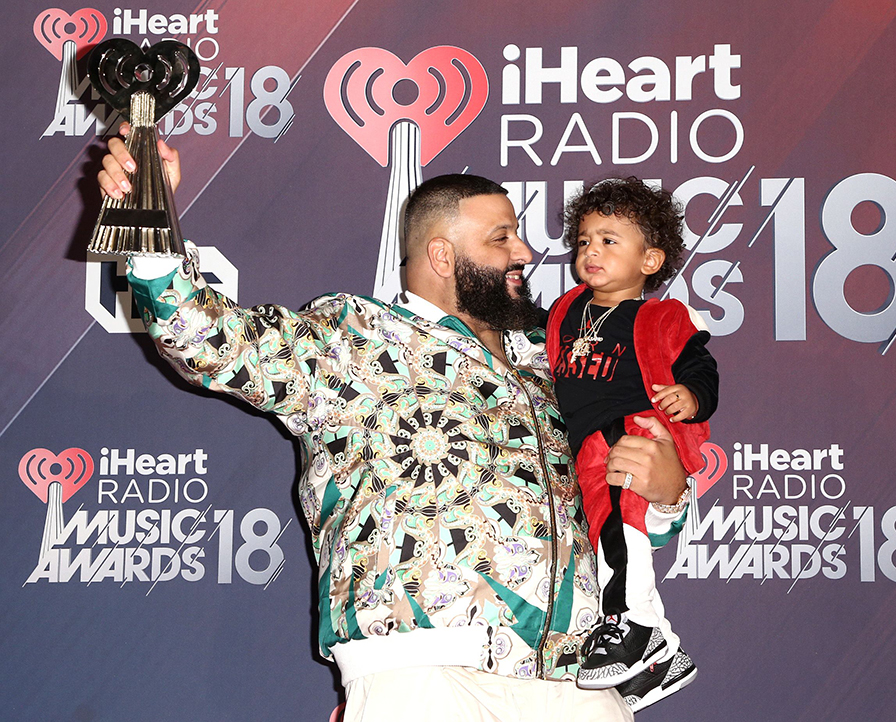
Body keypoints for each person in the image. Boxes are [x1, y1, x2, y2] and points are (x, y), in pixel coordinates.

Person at [96, 131, 693, 721]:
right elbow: (208, 338)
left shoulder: (559, 354)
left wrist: (665, 498)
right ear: (441, 255)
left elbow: (616, 513)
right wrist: (149, 220)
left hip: (578, 680)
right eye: (501, 239)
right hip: (424, 670)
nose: (525, 255)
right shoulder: (357, 338)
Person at [546, 177, 718, 712]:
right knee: (608, 535)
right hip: (585, 446)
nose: (591, 251)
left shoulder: (660, 317)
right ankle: (664, 654)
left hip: (634, 430)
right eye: (583, 241)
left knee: (622, 524)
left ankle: (632, 625)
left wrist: (691, 396)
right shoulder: (566, 310)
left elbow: (700, 364)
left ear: (650, 260)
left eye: (609, 240)